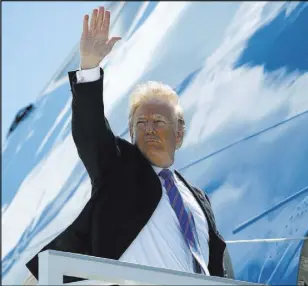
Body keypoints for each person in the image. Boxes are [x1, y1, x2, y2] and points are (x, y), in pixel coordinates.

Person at [25, 6, 234, 284]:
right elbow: (91, 132)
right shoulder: (118, 167)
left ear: (179, 132)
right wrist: (89, 66)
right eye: (140, 123)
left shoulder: (197, 198)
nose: (148, 129)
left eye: (158, 121)